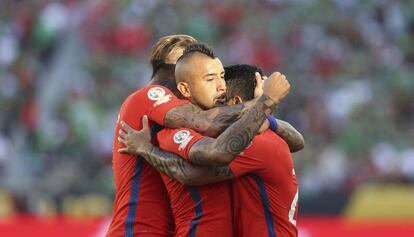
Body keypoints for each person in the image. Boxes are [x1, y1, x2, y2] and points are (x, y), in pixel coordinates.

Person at [106, 36, 290, 237]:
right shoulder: (150, 95)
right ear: (174, 69)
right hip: (137, 231)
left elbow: (295, 141)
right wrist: (265, 101)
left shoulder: (176, 121)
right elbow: (205, 124)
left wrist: (268, 119)